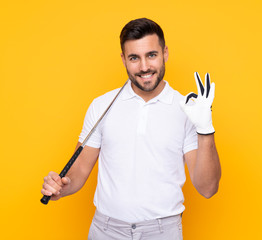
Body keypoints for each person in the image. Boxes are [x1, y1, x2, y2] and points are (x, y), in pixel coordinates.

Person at [41, 18, 221, 240]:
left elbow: (208, 188)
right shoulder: (102, 105)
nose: (144, 67)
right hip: (106, 230)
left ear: (165, 53)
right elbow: (77, 173)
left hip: (162, 232)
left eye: (151, 55)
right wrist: (61, 186)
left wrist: (205, 129)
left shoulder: (187, 110)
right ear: (123, 59)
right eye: (134, 58)